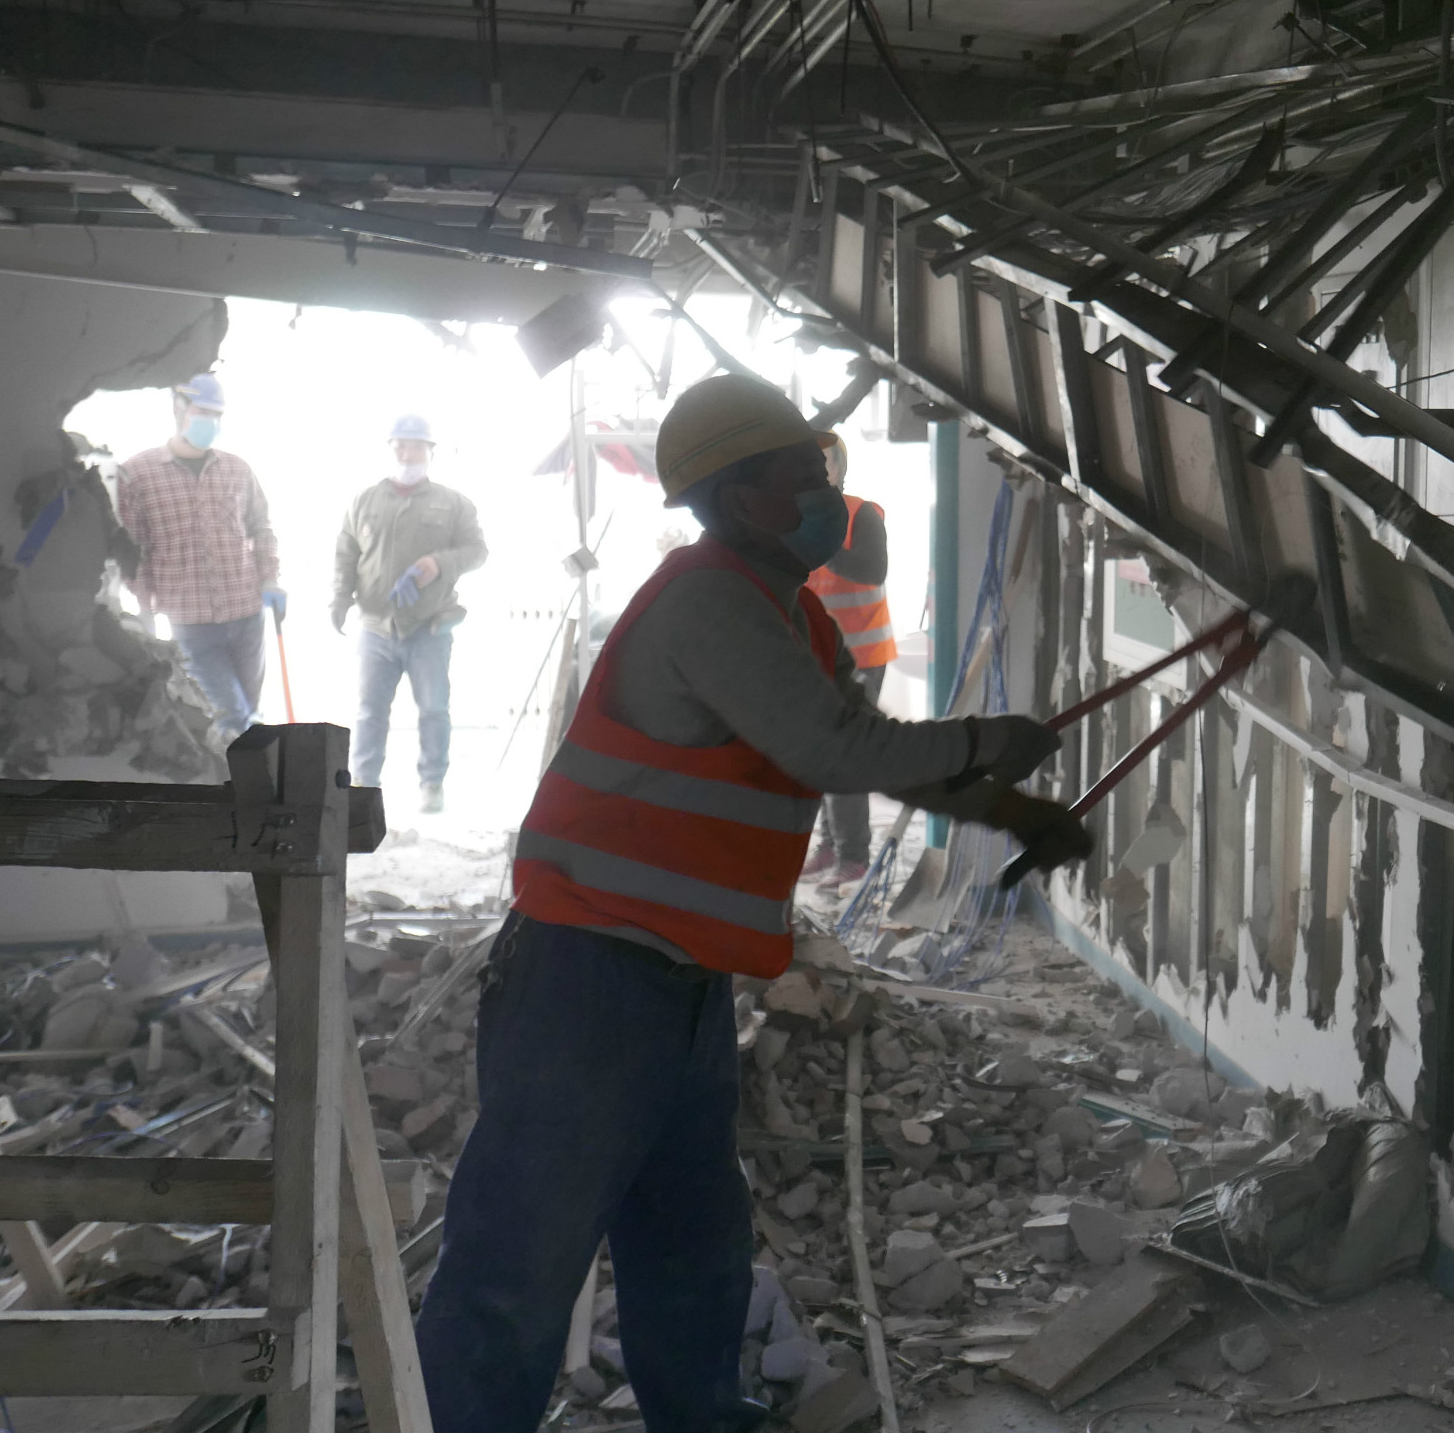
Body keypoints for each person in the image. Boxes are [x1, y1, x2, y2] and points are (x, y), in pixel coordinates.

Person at [413, 373, 1087, 1433]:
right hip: (587, 976)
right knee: (517, 1260)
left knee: (691, 1239)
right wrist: (988, 741)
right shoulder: (707, 600)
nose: (830, 496)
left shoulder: (789, 617)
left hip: (674, 984)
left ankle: (701, 1418)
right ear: (737, 502)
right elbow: (837, 749)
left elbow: (870, 753)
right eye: (805, 478)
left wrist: (1015, 808)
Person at [330, 414, 488, 814]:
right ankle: (365, 785)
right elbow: (346, 553)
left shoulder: (453, 503)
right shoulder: (364, 500)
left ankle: (432, 784)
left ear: (430, 451)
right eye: (399, 444)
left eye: (415, 445)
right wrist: (339, 598)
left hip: (428, 627)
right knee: (369, 711)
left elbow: (477, 551)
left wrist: (438, 563)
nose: (406, 452)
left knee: (434, 708)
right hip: (375, 627)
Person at [115, 373, 284, 745]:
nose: (211, 421)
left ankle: (248, 789)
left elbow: (261, 527)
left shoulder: (237, 470)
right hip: (190, 624)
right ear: (178, 407)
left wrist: (270, 578)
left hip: (246, 613)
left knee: (249, 716)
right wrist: (144, 605)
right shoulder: (138, 474)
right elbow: (132, 549)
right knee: (230, 714)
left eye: (217, 414)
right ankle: (231, 790)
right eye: (202, 411)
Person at [802, 431, 895, 885]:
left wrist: (825, 545)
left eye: (825, 463)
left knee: (844, 755)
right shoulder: (795, 516)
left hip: (862, 654)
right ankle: (828, 845)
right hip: (816, 654)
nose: (817, 472)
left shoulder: (862, 514)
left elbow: (872, 570)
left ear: (839, 470)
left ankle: (854, 856)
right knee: (818, 752)